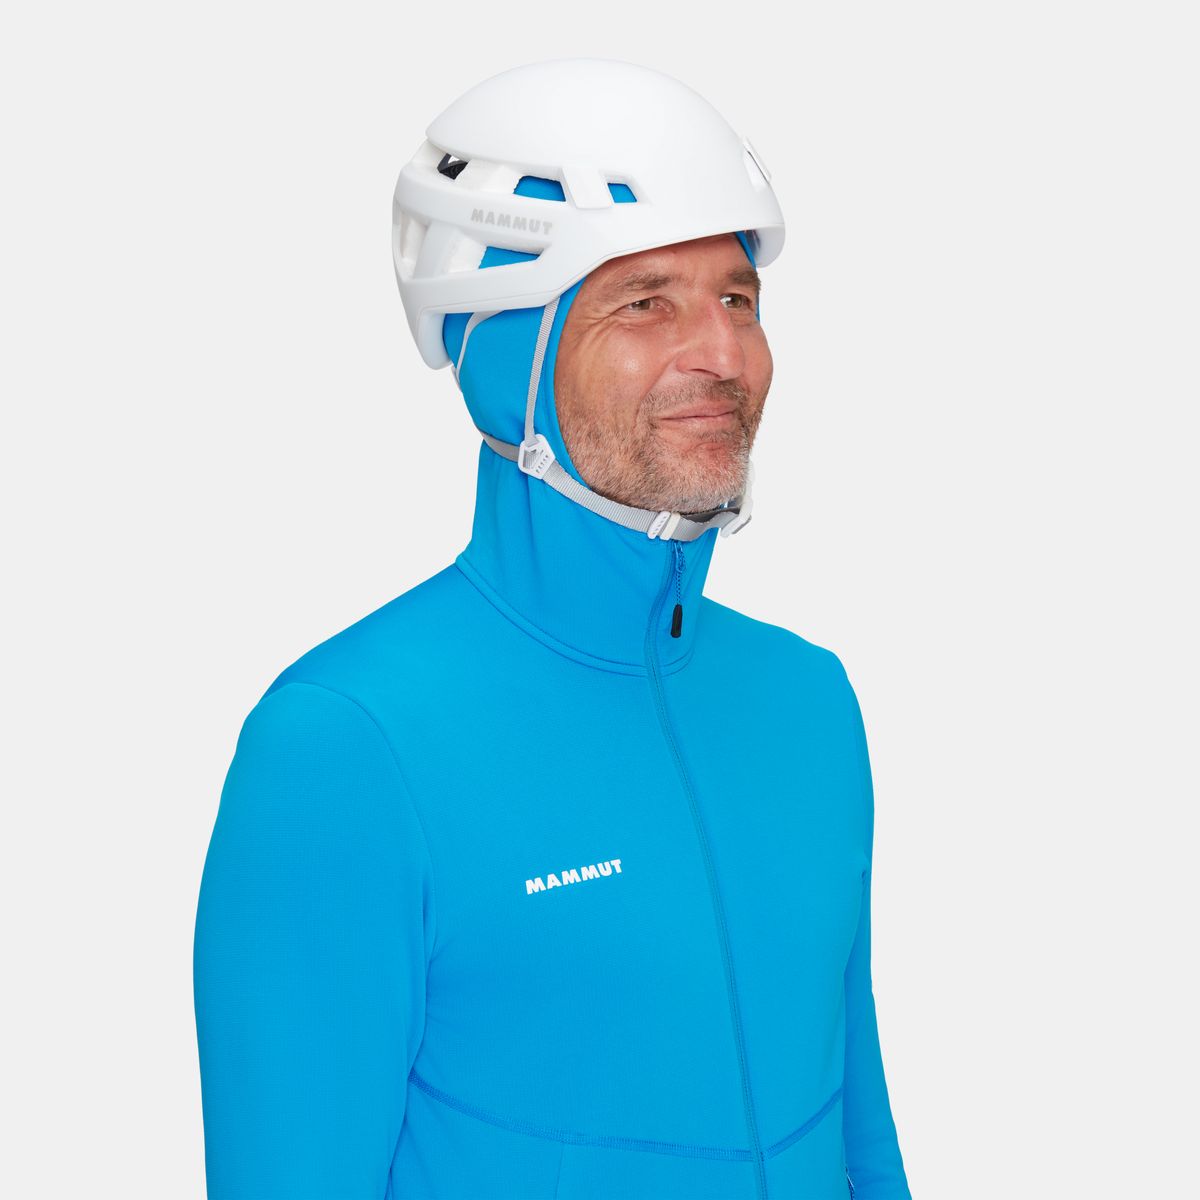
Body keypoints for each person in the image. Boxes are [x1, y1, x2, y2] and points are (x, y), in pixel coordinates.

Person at [193, 57, 913, 1200]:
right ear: (507, 360)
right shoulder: (346, 745)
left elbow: (857, 1137)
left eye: (737, 299)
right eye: (646, 302)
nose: (722, 355)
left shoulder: (808, 702)